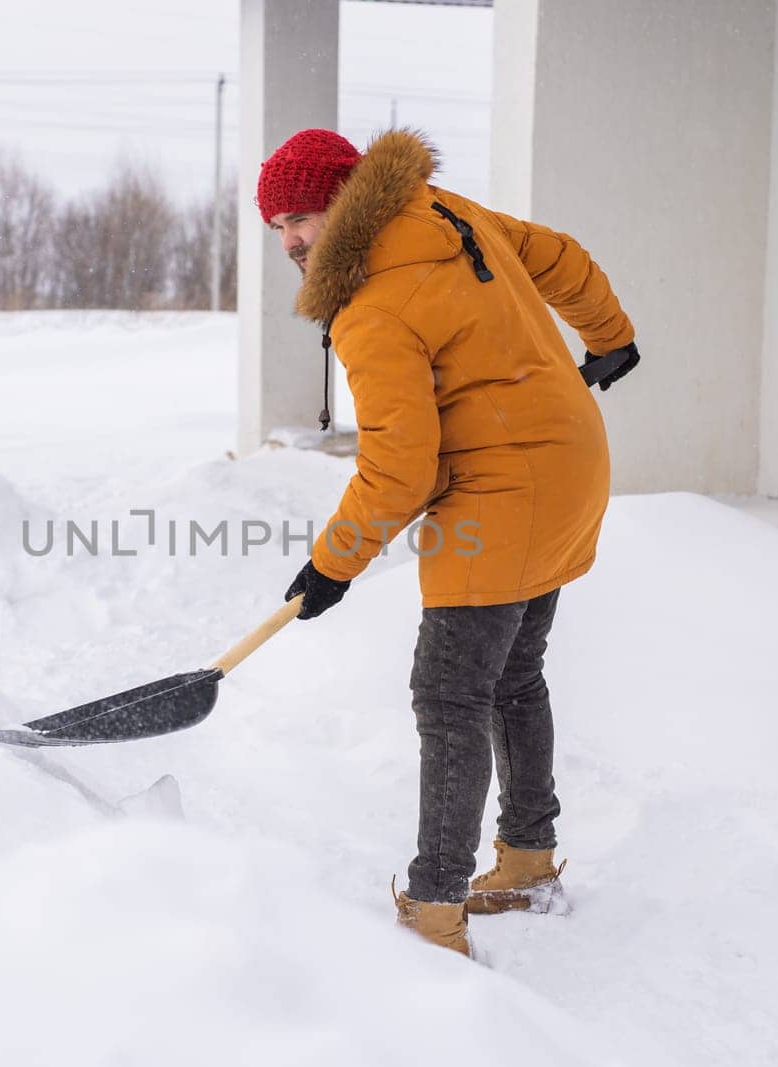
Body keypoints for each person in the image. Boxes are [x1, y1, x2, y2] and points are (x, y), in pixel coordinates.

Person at [258, 128, 640, 957]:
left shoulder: (369, 306)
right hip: (572, 460)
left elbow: (399, 467)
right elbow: (562, 257)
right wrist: (607, 334)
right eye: (277, 223)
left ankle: (434, 912)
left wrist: (334, 562)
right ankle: (530, 860)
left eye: (302, 215)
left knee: (449, 694)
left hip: (505, 490)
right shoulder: (445, 211)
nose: (289, 238)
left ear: (345, 199)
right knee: (512, 674)